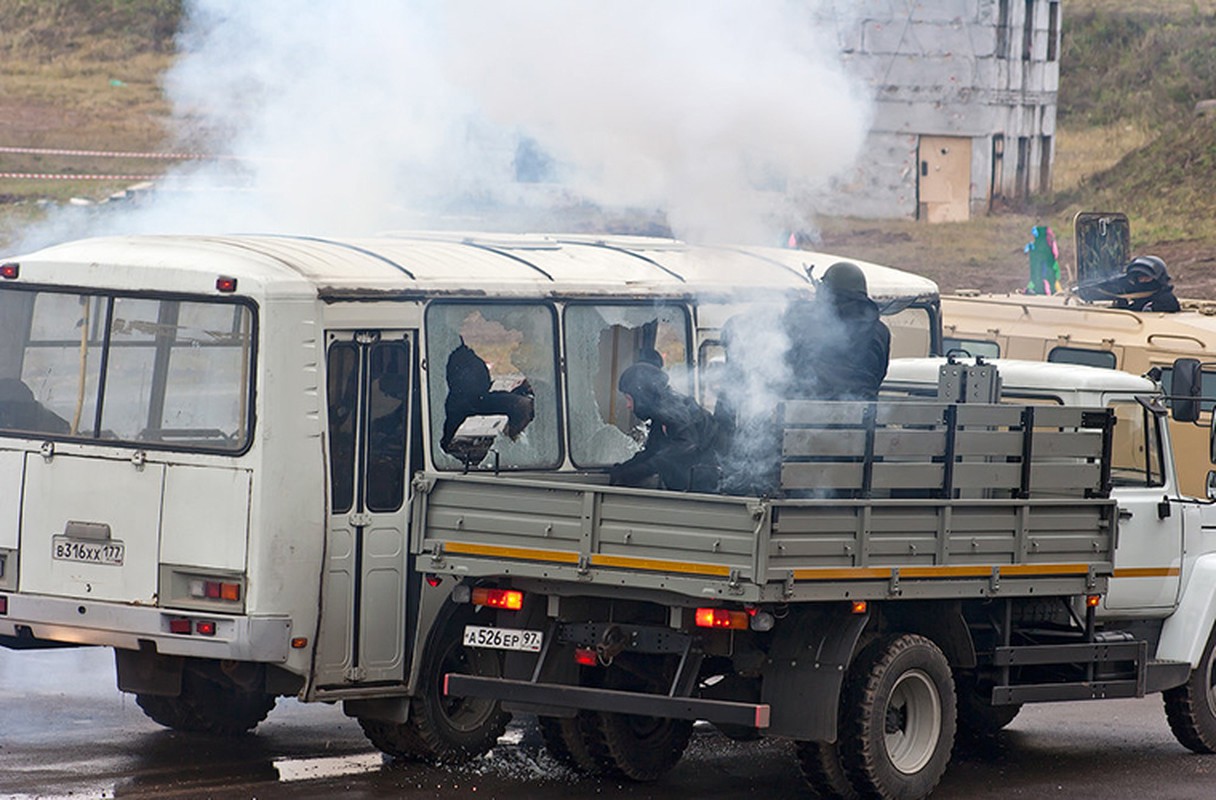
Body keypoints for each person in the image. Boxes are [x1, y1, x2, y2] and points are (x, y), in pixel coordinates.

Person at [785, 261, 891, 401]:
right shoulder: (880, 331)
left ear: (827, 292)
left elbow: (786, 365)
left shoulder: (803, 321)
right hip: (862, 416)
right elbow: (878, 375)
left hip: (801, 413)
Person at [608, 362, 723, 492]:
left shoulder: (675, 410)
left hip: (706, 488)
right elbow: (652, 451)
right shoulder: (660, 415)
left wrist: (643, 470)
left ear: (641, 397)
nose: (628, 406)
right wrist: (625, 468)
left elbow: (685, 446)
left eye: (629, 399)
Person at [1111, 256, 1181, 312]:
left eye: (1147, 277)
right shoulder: (1139, 299)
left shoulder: (1165, 300)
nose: (1143, 281)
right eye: (1140, 278)